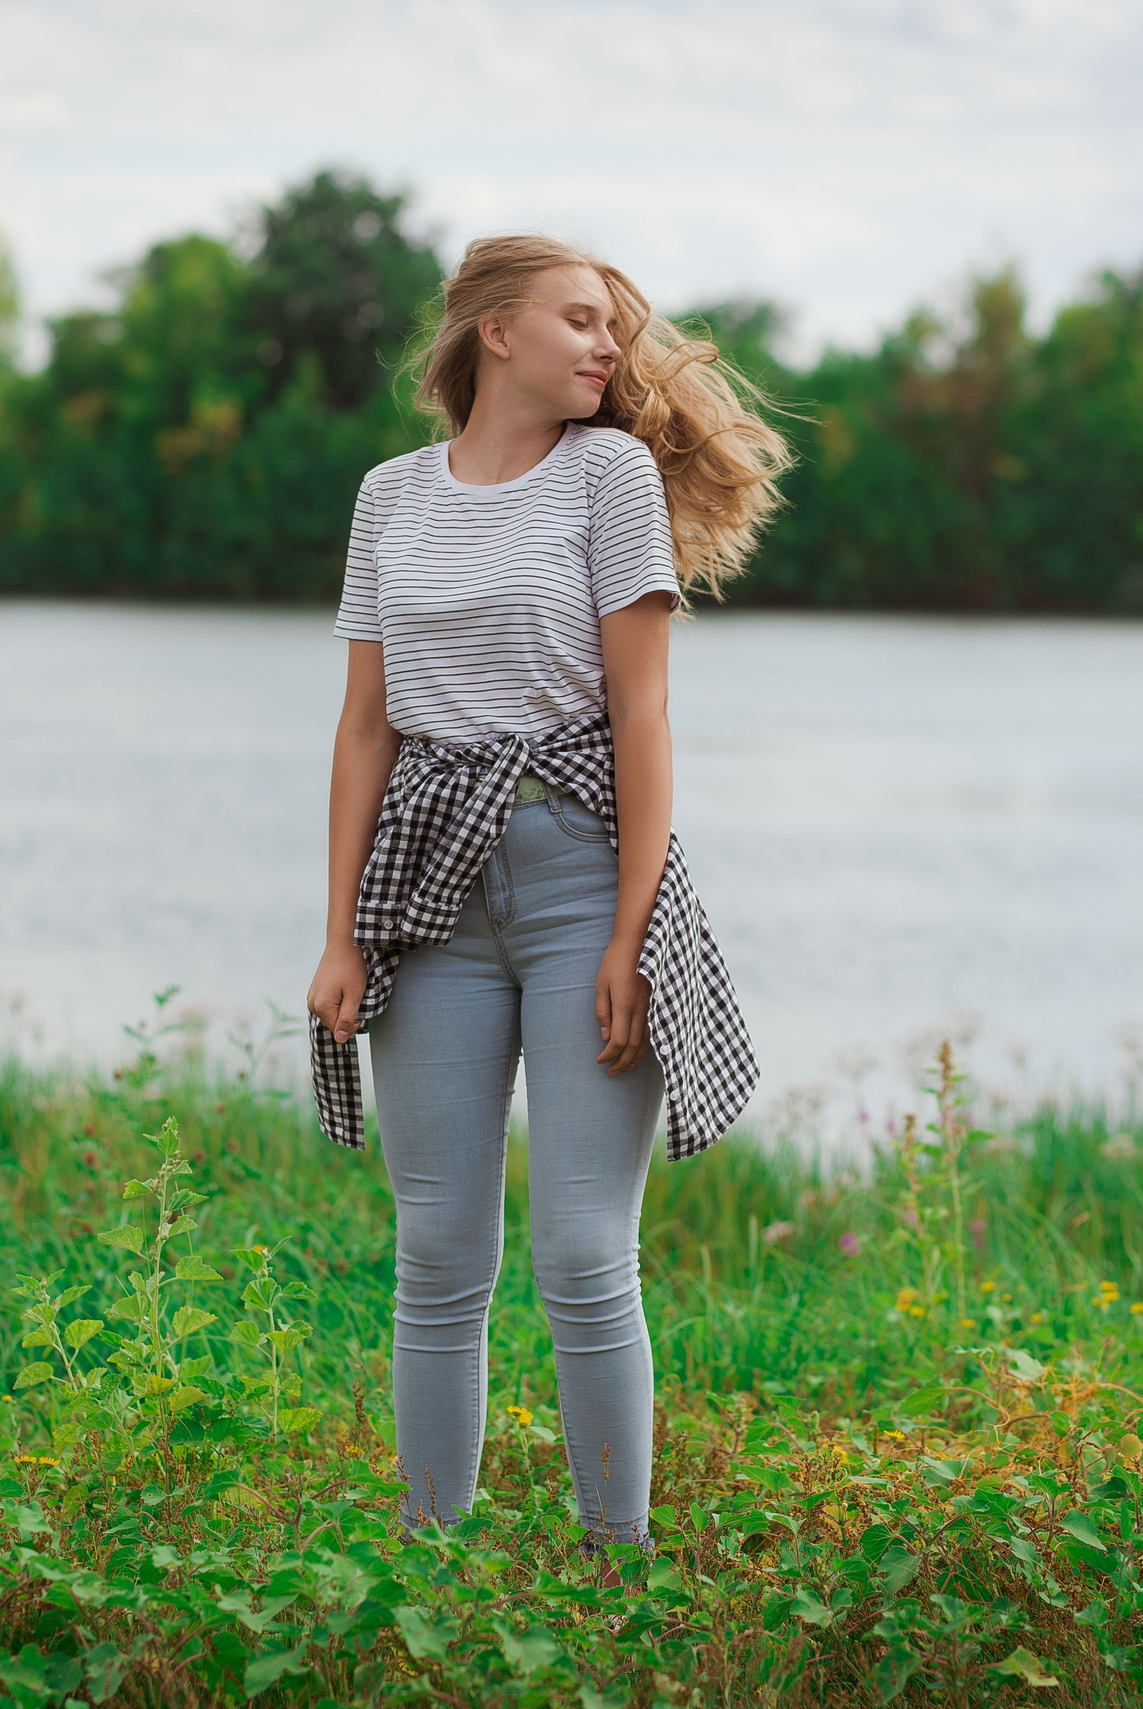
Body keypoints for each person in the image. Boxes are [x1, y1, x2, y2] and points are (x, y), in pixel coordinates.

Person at [303, 234, 791, 1552]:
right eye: (580, 321)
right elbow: (365, 727)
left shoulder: (609, 474)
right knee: (439, 1252)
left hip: (583, 874)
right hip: (426, 897)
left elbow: (642, 715)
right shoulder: (390, 496)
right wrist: (340, 931)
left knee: (583, 1252)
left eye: (615, 330)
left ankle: (616, 1564)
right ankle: (426, 1561)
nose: (607, 350)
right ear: (494, 331)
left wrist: (632, 933)